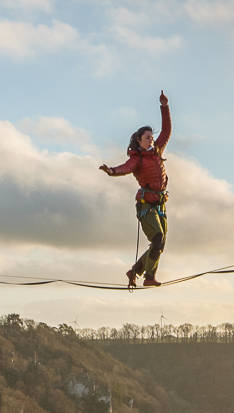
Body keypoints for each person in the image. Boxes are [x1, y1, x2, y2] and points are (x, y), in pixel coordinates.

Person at [100, 91, 171, 288]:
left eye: (152, 137)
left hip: (160, 205)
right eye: (147, 138)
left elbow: (166, 130)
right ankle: (149, 277)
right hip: (146, 206)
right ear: (139, 140)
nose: (151, 140)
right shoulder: (136, 159)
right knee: (157, 238)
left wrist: (164, 107)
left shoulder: (157, 152)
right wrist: (112, 171)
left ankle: (135, 271)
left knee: (160, 243)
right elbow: (125, 168)